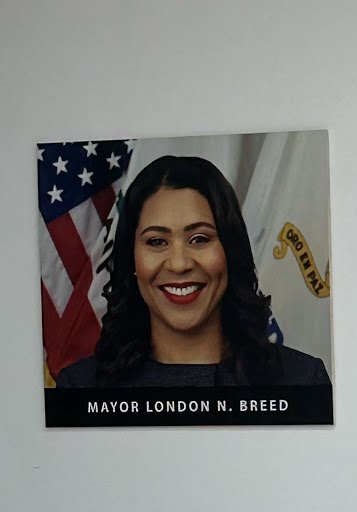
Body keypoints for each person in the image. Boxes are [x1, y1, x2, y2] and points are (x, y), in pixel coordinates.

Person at [56, 155, 332, 388]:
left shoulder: (302, 379)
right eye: (156, 241)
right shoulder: (80, 386)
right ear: (132, 260)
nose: (179, 264)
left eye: (199, 239)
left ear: (230, 251)